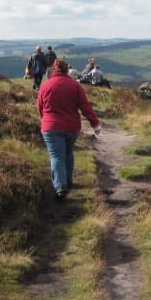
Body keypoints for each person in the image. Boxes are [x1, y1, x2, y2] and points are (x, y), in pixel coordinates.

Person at [36, 59, 102, 201]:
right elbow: (86, 108)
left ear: (54, 70)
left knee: (56, 156)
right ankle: (68, 183)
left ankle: (60, 188)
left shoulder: (45, 86)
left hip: (50, 127)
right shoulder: (75, 86)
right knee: (68, 152)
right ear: (67, 70)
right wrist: (95, 124)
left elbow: (39, 107)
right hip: (72, 127)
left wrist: (46, 119)